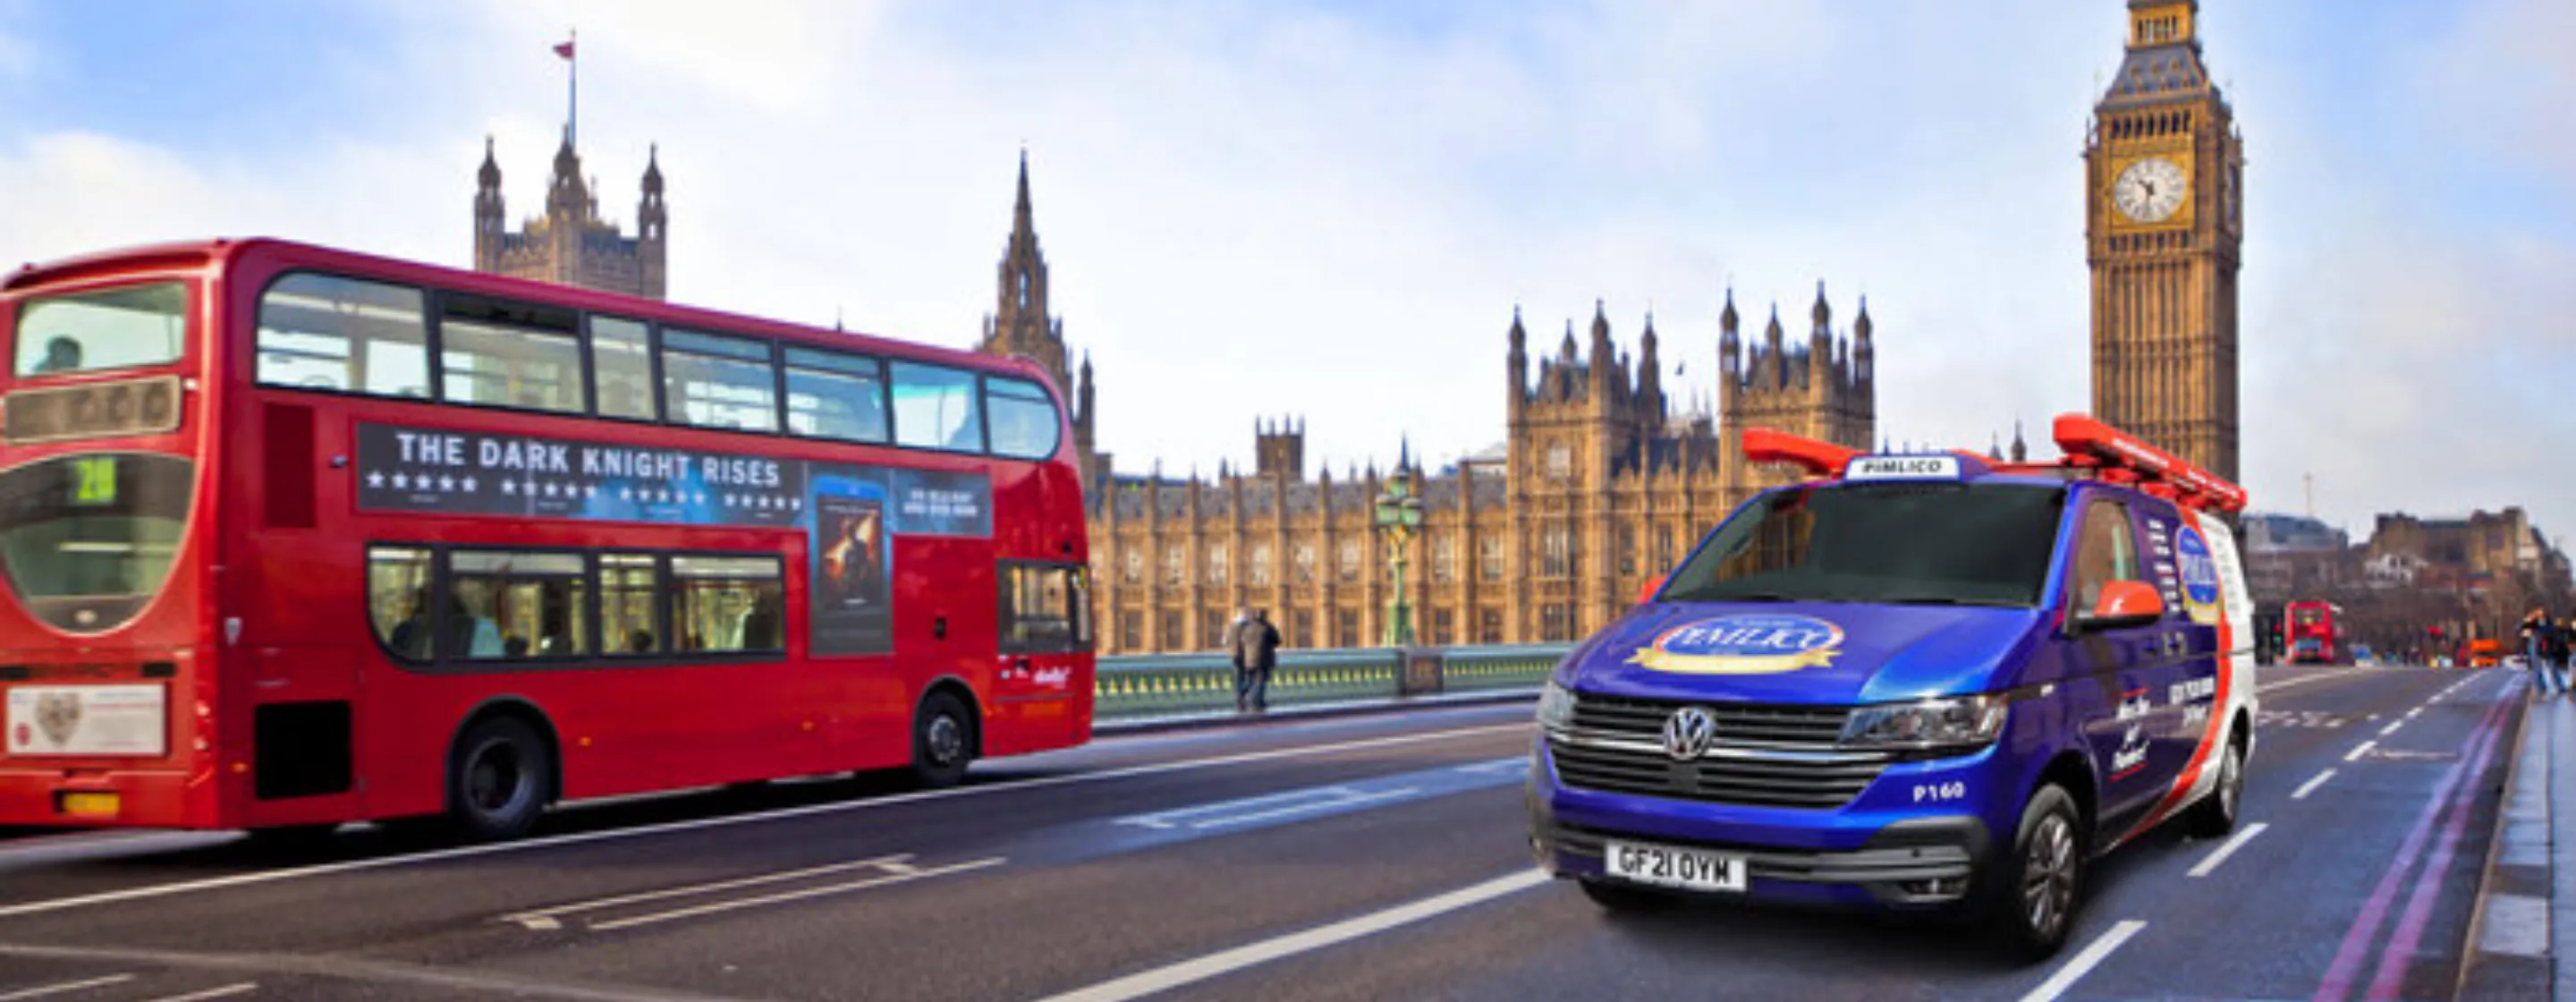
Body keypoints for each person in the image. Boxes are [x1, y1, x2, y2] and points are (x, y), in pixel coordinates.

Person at [1231, 607, 1281, 714]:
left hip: (1248, 659)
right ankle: (1257, 702)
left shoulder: (1247, 628)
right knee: (1260, 681)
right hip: (1263, 659)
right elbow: (1277, 640)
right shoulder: (1267, 628)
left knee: (1250, 680)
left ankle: (1243, 697)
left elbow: (1242, 641)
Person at [2521, 607, 2561, 697]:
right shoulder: (2532, 624)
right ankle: (2542, 688)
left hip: (2545, 644)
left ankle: (2555, 686)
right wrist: (2527, 621)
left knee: (2551, 667)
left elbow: (2552, 631)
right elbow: (2521, 628)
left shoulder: (2546, 624)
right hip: (2538, 644)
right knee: (2539, 668)